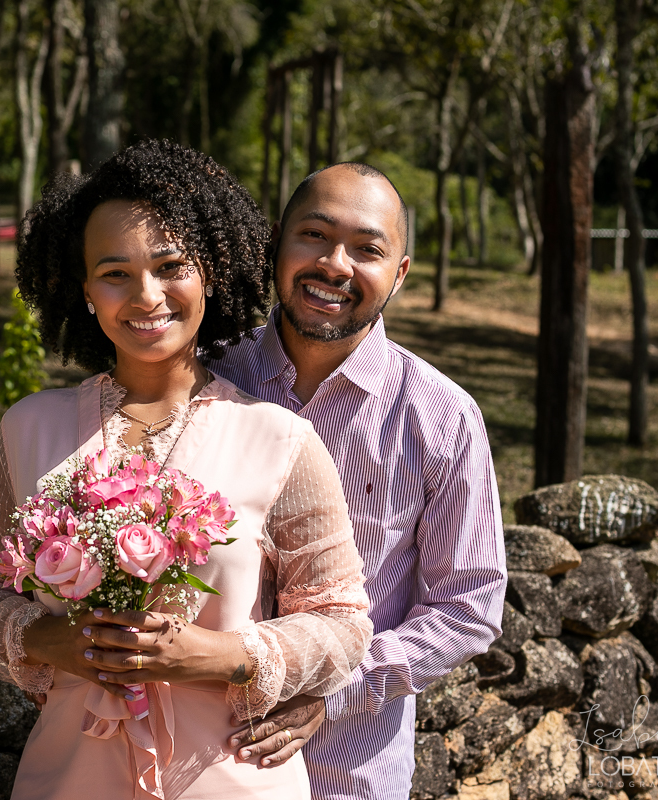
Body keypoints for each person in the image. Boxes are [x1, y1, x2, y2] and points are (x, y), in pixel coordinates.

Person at [0, 140, 373, 800]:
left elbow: (345, 624)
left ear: (209, 272)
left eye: (171, 265)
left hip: (232, 781)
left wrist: (220, 656)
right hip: (67, 778)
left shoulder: (280, 440)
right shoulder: (27, 428)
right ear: (85, 289)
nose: (147, 295)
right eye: (115, 273)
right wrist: (48, 640)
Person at [209, 162, 507, 800]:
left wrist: (334, 688)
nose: (335, 264)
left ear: (398, 273)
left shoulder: (442, 417)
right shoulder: (206, 376)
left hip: (349, 768)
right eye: (313, 235)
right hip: (193, 748)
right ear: (276, 245)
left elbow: (469, 604)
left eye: (367, 249)